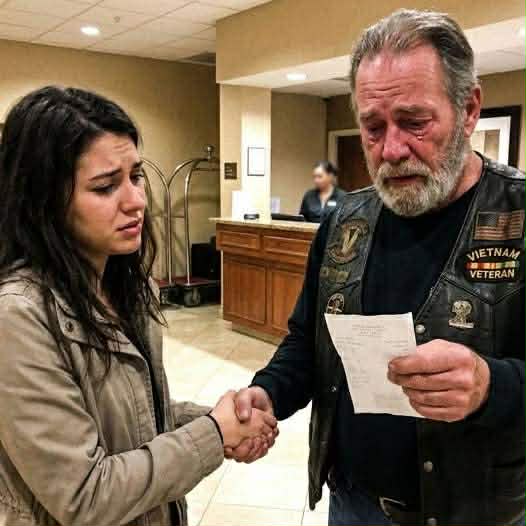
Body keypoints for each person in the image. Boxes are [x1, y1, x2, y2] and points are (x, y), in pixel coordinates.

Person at [226, 9, 526, 526]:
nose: (391, 149)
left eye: (415, 122)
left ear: (469, 109)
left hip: (479, 512)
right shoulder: (344, 220)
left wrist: (490, 386)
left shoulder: (518, 216)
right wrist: (267, 391)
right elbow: (308, 343)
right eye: (372, 128)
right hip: (352, 504)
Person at [0, 86, 277, 526]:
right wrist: (214, 433)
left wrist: (223, 419)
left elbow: (137, 415)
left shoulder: (128, 286)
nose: (136, 201)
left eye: (136, 176)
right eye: (106, 186)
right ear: (45, 200)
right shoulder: (18, 317)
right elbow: (85, 496)